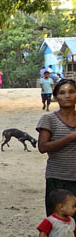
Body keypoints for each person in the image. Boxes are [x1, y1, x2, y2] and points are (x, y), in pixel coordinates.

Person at [37, 78, 76, 215]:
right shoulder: (49, 119)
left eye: (72, 92)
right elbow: (42, 147)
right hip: (58, 180)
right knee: (58, 226)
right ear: (55, 97)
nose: (67, 96)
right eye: (62, 93)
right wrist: (70, 137)